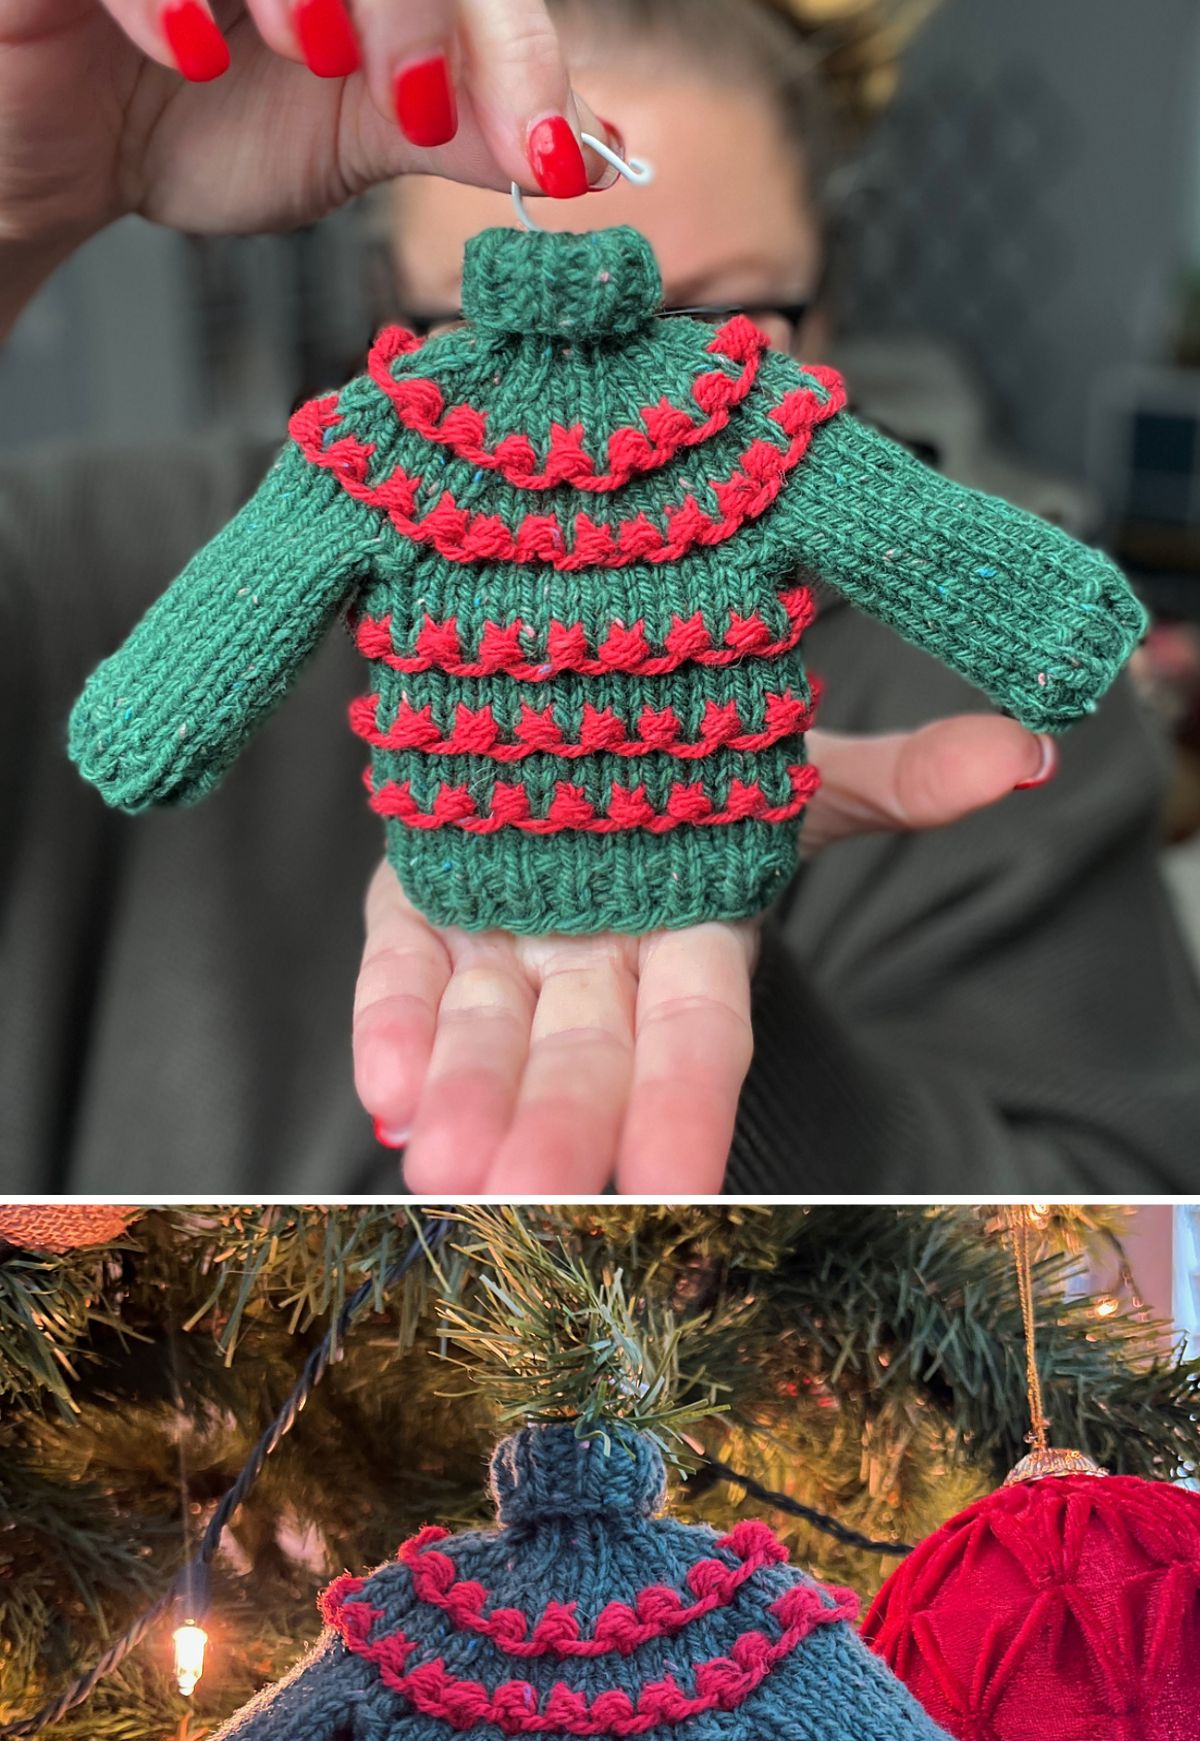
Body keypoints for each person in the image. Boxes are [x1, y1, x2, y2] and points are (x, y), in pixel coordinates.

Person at [2, 0, 1198, 1195]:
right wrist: (23, 208)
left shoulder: (734, 461)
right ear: (387, 295)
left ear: (827, 290)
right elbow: (158, 707)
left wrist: (771, 1084)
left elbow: (1126, 1258)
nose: (657, 363)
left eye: (734, 313)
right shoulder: (96, 543)